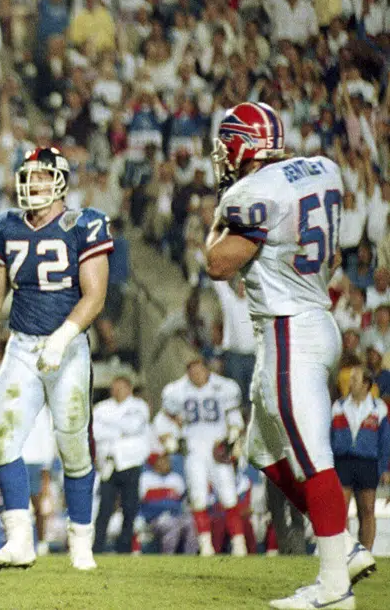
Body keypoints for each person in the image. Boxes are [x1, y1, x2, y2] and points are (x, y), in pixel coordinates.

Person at [205, 101, 374, 609]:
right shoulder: (321, 169)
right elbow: (334, 250)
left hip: (288, 332)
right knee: (262, 449)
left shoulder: (251, 193)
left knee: (312, 458)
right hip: (313, 321)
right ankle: (342, 546)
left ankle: (332, 588)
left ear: (241, 146)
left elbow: (218, 263)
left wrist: (216, 219)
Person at [0, 147, 113, 571]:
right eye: (29, 176)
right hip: (22, 346)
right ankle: (19, 540)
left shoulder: (84, 223)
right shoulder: (7, 225)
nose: (33, 184)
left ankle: (81, 540)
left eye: (41, 177)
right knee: (1, 440)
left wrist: (63, 337)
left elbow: (95, 294)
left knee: (74, 446)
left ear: (60, 181)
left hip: (69, 347)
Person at [155, 357, 246, 557]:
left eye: (199, 369)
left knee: (229, 496)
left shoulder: (224, 387)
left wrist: (232, 436)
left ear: (207, 369)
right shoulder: (176, 391)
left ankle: (239, 545)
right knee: (198, 498)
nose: (196, 374)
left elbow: (234, 416)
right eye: (192, 370)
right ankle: (206, 547)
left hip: (217, 448)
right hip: (194, 450)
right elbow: (163, 420)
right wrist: (170, 439)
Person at [331, 362, 390, 551]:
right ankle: (345, 551)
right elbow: (329, 438)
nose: (350, 382)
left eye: (355, 379)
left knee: (367, 512)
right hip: (343, 462)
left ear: (366, 384)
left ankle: (365, 553)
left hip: (367, 463)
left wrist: (385, 469)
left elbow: (385, 441)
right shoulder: (338, 406)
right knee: (340, 511)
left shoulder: (378, 408)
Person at [92, 376, 151, 554]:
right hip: (108, 463)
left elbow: (134, 426)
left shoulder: (139, 406)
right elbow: (95, 431)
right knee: (105, 509)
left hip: (130, 462)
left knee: (129, 508)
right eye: (114, 388)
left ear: (129, 389)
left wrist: (109, 427)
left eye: (121, 388)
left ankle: (124, 548)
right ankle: (97, 548)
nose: (117, 391)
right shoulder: (102, 407)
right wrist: (120, 430)